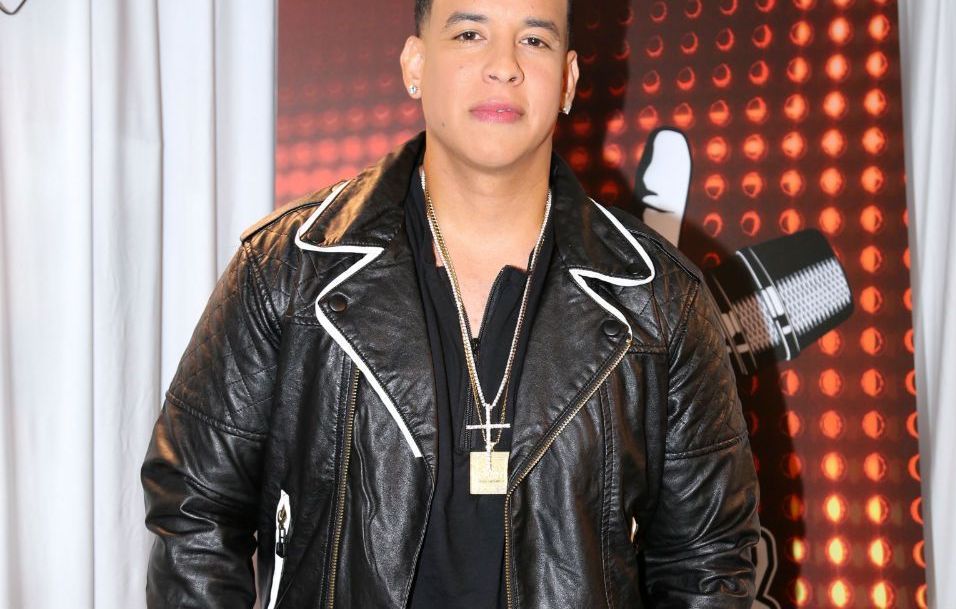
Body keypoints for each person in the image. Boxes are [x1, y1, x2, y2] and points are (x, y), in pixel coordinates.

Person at [140, 0, 761, 606]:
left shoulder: (662, 301)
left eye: (534, 40)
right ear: (415, 64)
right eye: (469, 34)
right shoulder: (289, 267)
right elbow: (195, 512)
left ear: (569, 80)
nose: (504, 66)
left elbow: (707, 563)